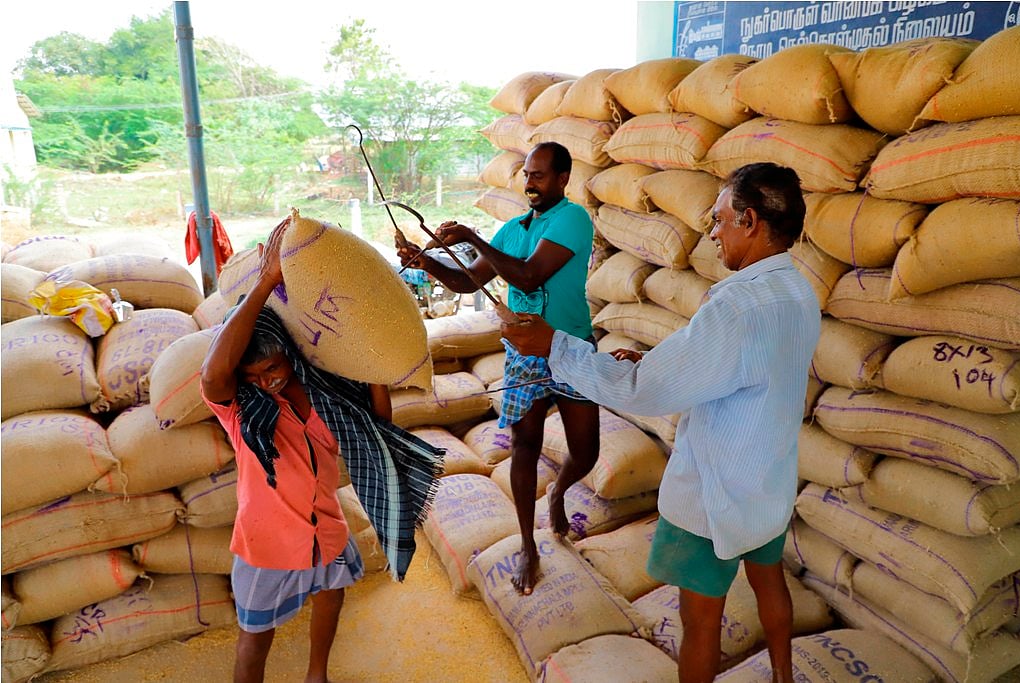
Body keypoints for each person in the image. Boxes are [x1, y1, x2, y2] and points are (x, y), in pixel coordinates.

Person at [502, 163, 821, 683]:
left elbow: (644, 392)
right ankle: (783, 676)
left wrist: (553, 345)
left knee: (700, 623)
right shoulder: (798, 291)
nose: (713, 234)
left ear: (749, 220)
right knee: (769, 583)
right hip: (766, 481)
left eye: (719, 221)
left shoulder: (736, 304)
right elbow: (738, 369)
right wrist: (653, 360)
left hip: (712, 495)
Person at [201, 219, 442, 682]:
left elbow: (378, 427)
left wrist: (370, 363)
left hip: (325, 532)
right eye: (251, 376)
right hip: (265, 546)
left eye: (271, 368)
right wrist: (268, 279)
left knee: (331, 594)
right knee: (254, 643)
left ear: (289, 358)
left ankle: (317, 674)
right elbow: (215, 374)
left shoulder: (325, 394)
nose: (263, 381)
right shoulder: (242, 412)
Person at [398, 141, 600, 596]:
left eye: (540, 175)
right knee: (524, 446)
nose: (530, 183)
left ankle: (558, 492)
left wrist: (471, 236)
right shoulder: (511, 229)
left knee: (585, 452)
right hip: (524, 355)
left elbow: (529, 276)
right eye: (527, 175)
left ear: (563, 179)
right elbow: (462, 279)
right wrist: (422, 258)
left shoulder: (572, 219)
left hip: (569, 348)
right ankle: (529, 544)